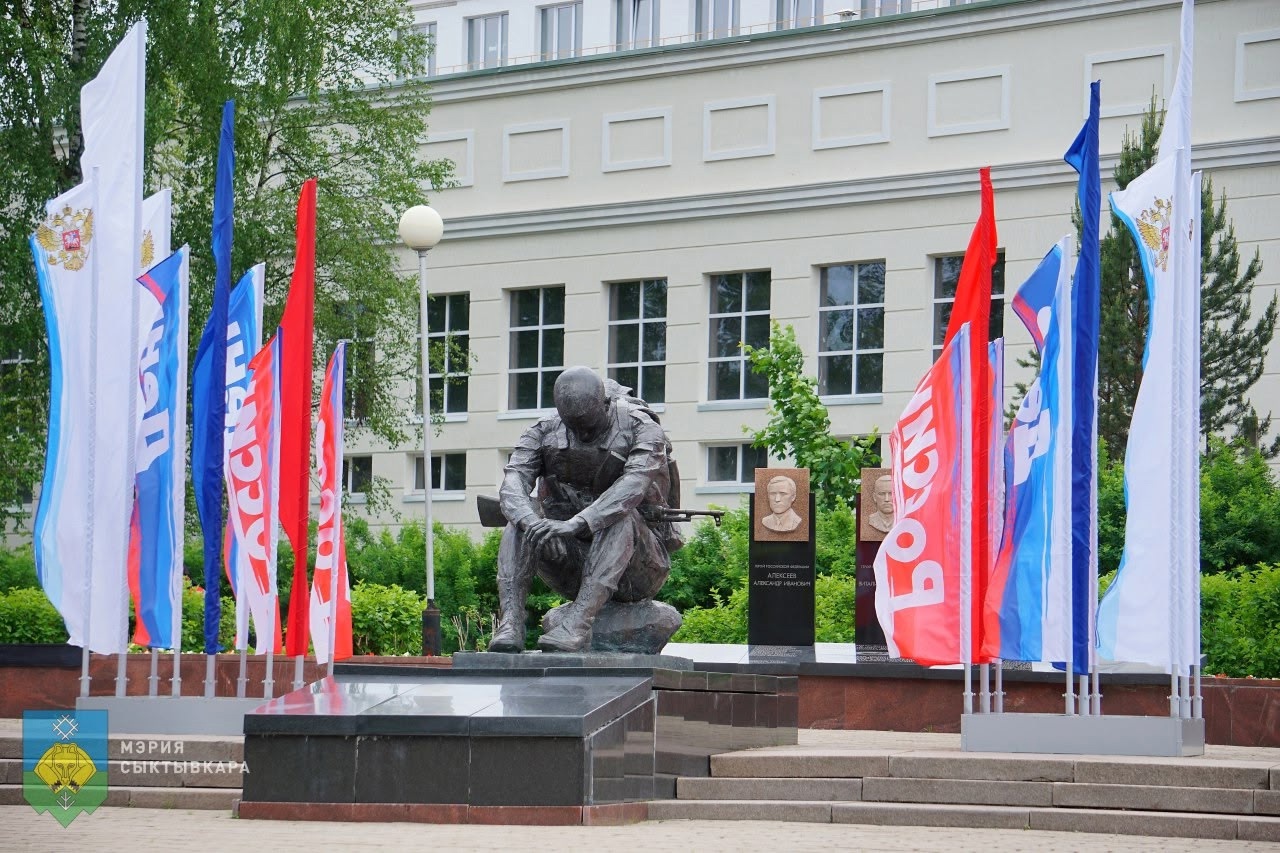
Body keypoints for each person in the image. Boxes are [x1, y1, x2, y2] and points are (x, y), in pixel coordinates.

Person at [488, 367, 681, 653]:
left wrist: (575, 523)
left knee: (620, 514)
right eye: (573, 428)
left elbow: (633, 485)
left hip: (637, 568)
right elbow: (513, 480)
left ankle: (578, 624)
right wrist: (533, 523)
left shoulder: (642, 428)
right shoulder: (543, 430)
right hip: (573, 564)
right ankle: (511, 623)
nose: (581, 434)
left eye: (589, 427)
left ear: (606, 404)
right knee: (521, 518)